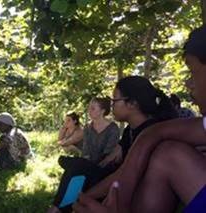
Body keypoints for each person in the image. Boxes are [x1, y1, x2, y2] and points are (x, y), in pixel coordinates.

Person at [73, 25, 206, 213]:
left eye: (192, 72)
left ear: (132, 104)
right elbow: (152, 136)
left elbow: (124, 168)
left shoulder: (137, 130)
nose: (188, 83)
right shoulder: (131, 132)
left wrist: (93, 193)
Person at [49, 97, 120, 212]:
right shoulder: (87, 127)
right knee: (74, 167)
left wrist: (90, 163)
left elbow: (108, 154)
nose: (89, 111)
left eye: (93, 108)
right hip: (88, 163)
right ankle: (61, 208)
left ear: (102, 111)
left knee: (74, 167)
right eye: (89, 108)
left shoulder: (112, 128)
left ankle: (56, 208)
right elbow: (86, 150)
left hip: (105, 166)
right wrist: (86, 161)